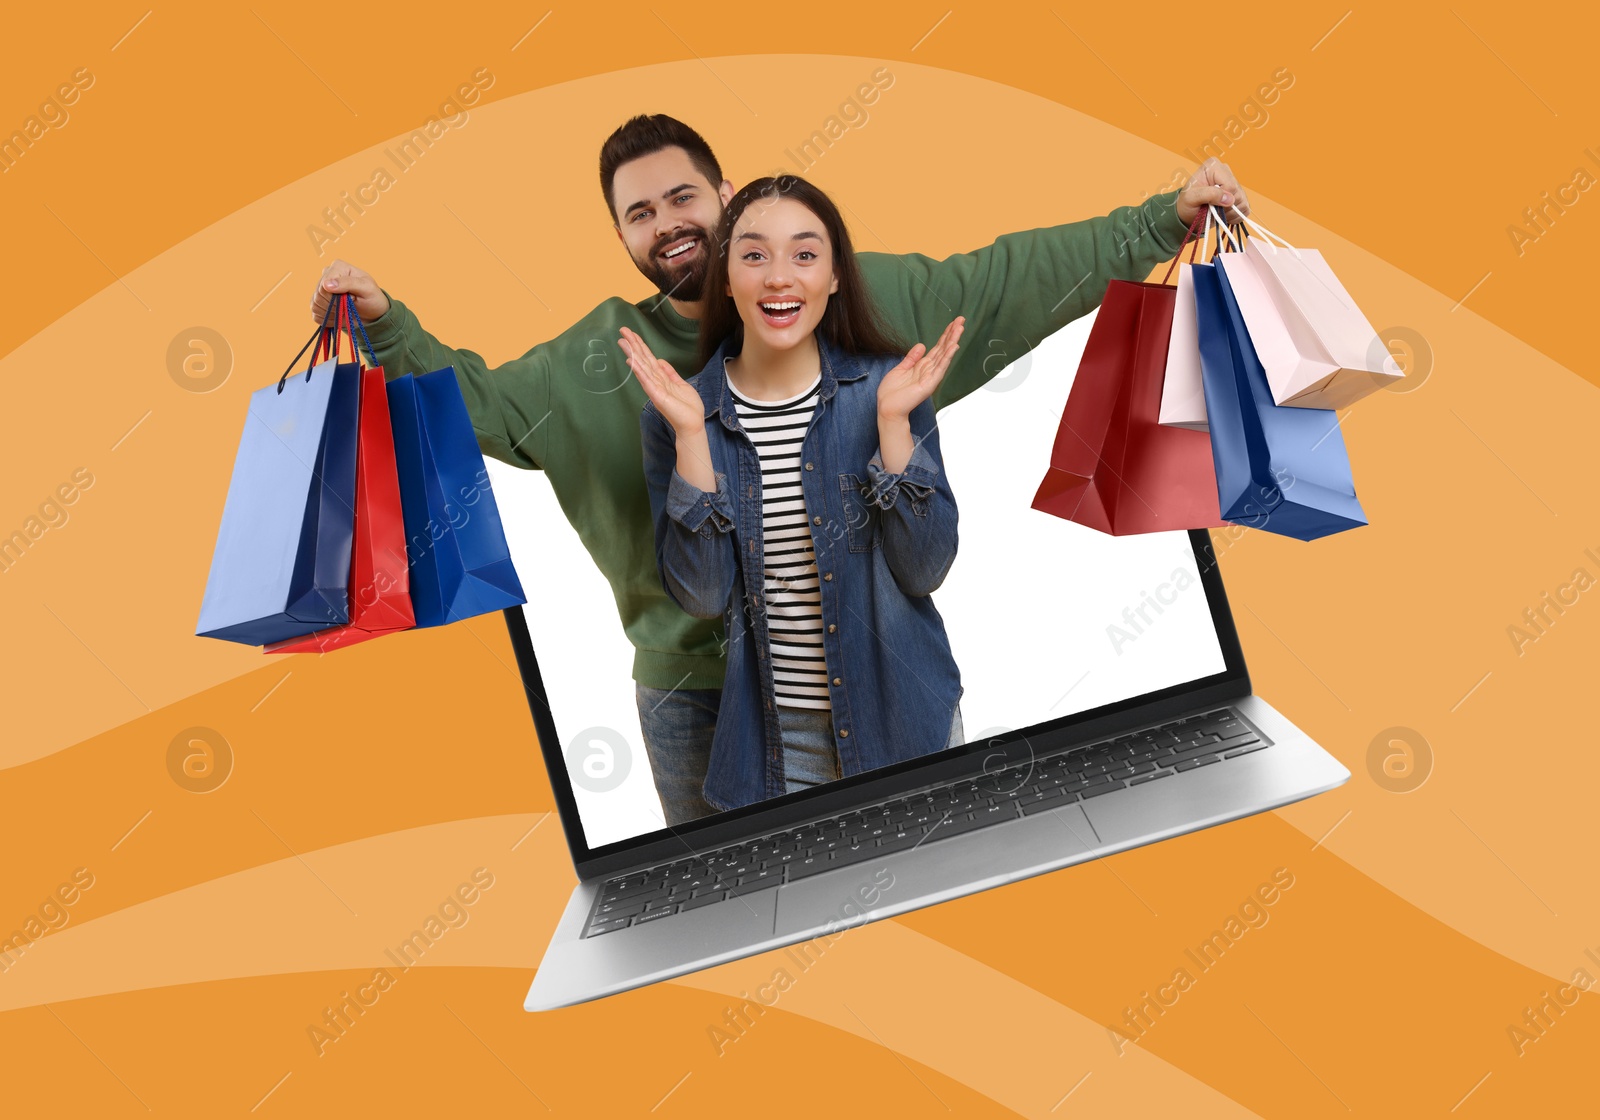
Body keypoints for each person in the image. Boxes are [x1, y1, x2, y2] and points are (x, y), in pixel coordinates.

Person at [311, 114, 1249, 827]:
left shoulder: (849, 302)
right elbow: (472, 405)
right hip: (694, 693)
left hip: (873, 672)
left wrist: (1161, 222)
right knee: (730, 919)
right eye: (638, 214)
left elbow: (1006, 277)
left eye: (682, 198)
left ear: (724, 194)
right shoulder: (601, 364)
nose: (666, 226)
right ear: (622, 237)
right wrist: (386, 320)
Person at [624, 176, 967, 810]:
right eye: (754, 255)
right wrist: (692, 438)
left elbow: (925, 570)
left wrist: (893, 427)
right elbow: (700, 596)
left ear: (835, 277)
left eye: (805, 254)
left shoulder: (888, 391)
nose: (779, 276)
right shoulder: (678, 413)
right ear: (726, 278)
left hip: (904, 727)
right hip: (775, 750)